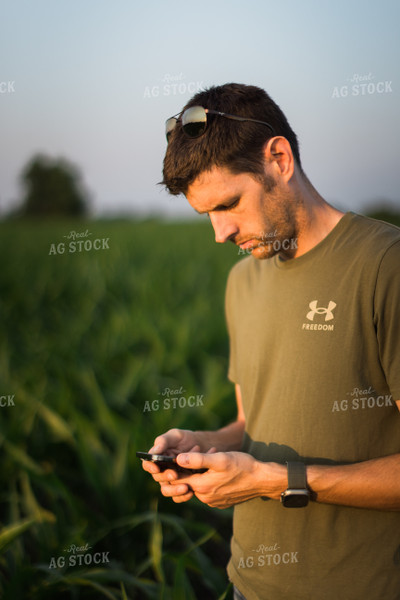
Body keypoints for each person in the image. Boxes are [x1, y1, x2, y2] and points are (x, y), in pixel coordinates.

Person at [142, 83, 400, 600]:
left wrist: (270, 479)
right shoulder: (242, 282)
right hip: (248, 586)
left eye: (230, 204)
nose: (220, 233)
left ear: (279, 159)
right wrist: (204, 448)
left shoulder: (383, 265)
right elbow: (251, 424)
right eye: (207, 215)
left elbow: (267, 473)